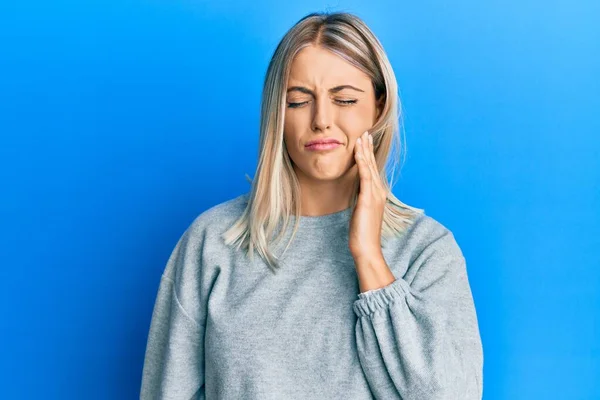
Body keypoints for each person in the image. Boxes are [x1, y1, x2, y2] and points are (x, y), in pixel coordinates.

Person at [139, 11, 483, 400]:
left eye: (345, 99)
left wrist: (369, 258)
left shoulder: (428, 252)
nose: (322, 120)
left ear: (378, 107)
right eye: (299, 101)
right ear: (277, 113)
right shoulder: (212, 242)